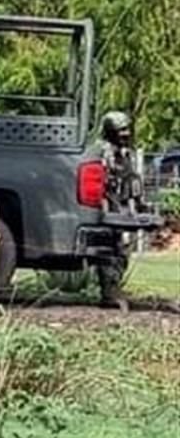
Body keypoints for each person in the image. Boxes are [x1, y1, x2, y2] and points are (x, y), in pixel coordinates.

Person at [93, 110, 143, 311]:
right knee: (109, 248)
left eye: (126, 130)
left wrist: (138, 202)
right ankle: (109, 291)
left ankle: (113, 288)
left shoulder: (125, 152)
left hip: (122, 206)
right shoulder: (102, 151)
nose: (125, 134)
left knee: (122, 250)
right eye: (120, 130)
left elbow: (131, 178)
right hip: (107, 205)